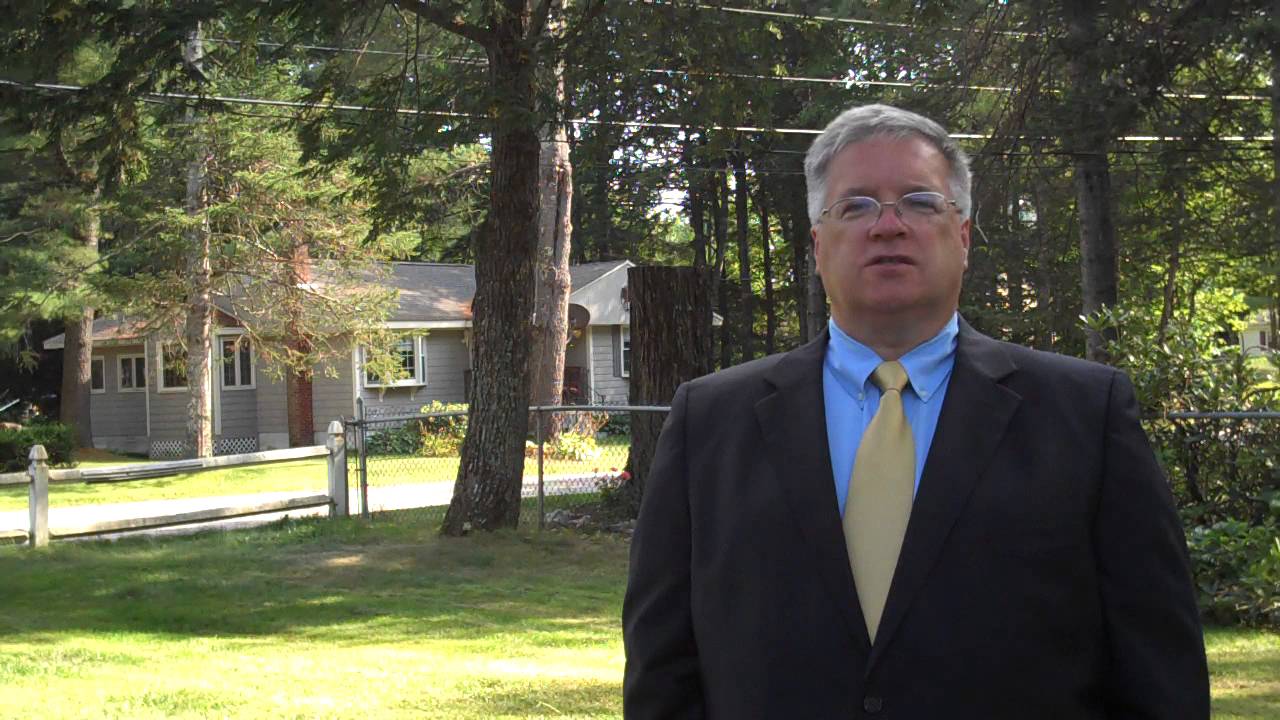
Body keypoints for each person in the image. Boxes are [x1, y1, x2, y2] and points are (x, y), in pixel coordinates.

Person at [622, 103, 1209, 719]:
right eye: (856, 206)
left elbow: (1160, 672)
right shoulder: (710, 421)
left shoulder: (1087, 414)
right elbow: (663, 672)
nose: (888, 225)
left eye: (921, 202)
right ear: (818, 245)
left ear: (963, 237)